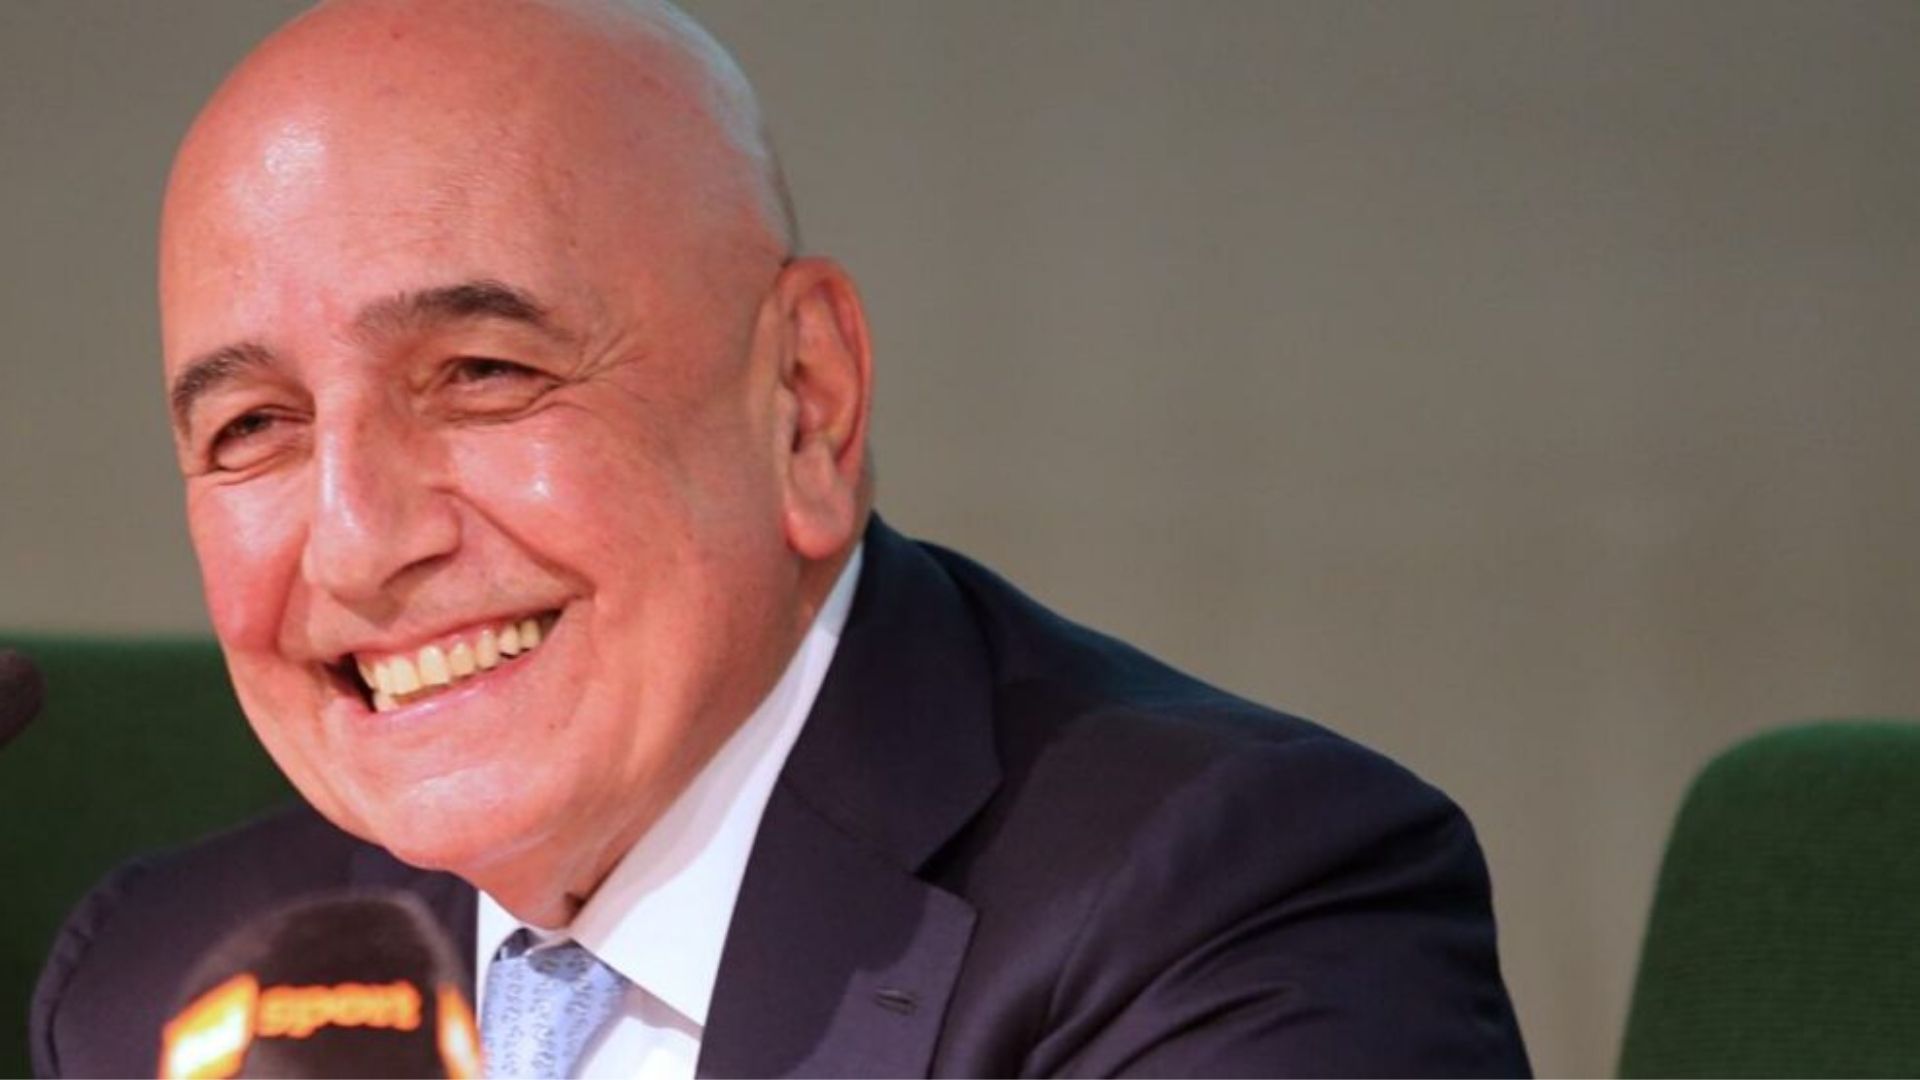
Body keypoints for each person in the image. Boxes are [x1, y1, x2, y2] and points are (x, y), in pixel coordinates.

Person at [30, 1, 1530, 1076]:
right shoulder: (159, 991)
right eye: (254, 428)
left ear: (806, 401)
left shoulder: (1230, 908)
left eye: (482, 372)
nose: (358, 544)